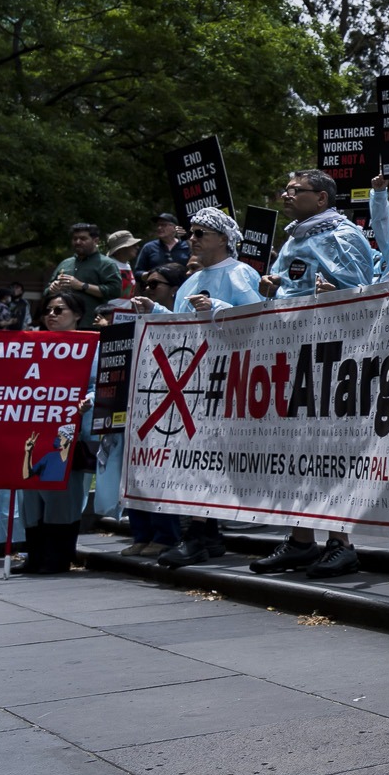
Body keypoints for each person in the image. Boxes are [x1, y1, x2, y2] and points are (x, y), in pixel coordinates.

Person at [249, 168, 379, 577]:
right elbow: (295, 288)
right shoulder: (294, 238)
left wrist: (337, 293)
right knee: (295, 449)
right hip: (291, 356)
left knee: (332, 450)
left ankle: (341, 542)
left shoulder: (343, 235)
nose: (286, 195)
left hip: (333, 358)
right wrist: (271, 288)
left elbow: (365, 293)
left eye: (295, 190)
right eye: (285, 188)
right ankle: (301, 539)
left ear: (321, 198)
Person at [125, 208, 269, 568]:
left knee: (209, 455)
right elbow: (181, 327)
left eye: (201, 233)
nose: (192, 239)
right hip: (195, 376)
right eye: (191, 232)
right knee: (196, 454)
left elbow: (260, 317)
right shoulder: (191, 281)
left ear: (222, 238)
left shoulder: (240, 273)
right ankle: (206, 533)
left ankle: (198, 534)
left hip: (229, 376)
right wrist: (155, 310)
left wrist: (218, 306)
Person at [12, 292, 92, 574]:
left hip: (66, 438)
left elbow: (97, 386)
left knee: (61, 500)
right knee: (31, 500)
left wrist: (88, 402)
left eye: (60, 309)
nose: (52, 314)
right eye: (48, 310)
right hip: (32, 436)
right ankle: (34, 556)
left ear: (77, 314)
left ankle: (57, 558)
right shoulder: (30, 346)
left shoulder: (88, 348)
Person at [46, 223, 125, 327]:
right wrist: (52, 289)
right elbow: (46, 291)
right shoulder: (65, 263)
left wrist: (82, 286)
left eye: (83, 239)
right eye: (75, 239)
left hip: (91, 326)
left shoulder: (106, 264)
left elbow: (115, 291)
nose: (78, 242)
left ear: (95, 241)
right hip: (64, 327)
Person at [104, 229, 141, 297]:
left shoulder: (127, 265)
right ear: (121, 248)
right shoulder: (107, 266)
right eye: (134, 245)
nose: (137, 247)